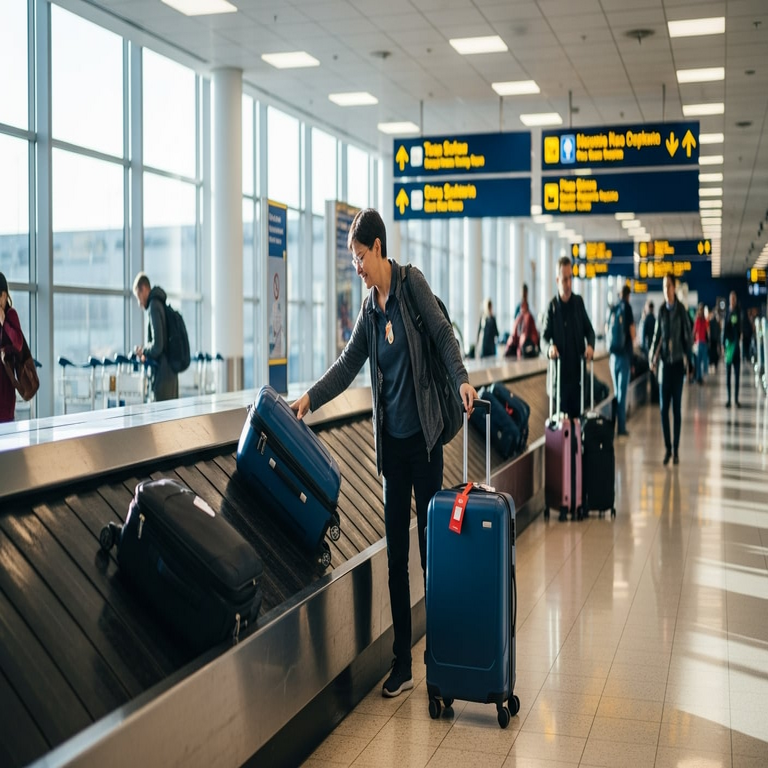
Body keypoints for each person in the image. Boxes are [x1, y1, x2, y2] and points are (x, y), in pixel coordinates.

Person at [290, 209, 477, 698]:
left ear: (377, 248)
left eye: (358, 257)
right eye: (352, 259)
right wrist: (308, 399)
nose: (356, 267)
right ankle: (402, 662)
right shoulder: (370, 312)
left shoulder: (412, 287)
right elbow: (348, 365)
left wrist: (461, 380)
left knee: (431, 553)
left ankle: (440, 655)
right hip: (392, 450)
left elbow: (443, 336)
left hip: (426, 442)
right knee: (397, 558)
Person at [542, 256, 595, 417]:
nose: (568, 283)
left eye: (570, 278)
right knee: (561, 424)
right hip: (559, 380)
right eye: (565, 279)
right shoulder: (552, 307)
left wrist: (590, 346)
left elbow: (589, 331)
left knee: (577, 423)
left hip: (577, 379)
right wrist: (549, 348)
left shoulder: (578, 303)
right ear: (558, 280)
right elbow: (543, 338)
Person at [649, 275, 692, 466]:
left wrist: (690, 362)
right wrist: (652, 356)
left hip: (677, 366)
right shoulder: (661, 312)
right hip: (665, 365)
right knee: (663, 410)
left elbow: (688, 336)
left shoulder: (682, 310)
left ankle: (676, 449)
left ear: (674, 288)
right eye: (664, 286)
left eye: (669, 286)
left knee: (676, 410)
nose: (666, 290)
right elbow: (657, 335)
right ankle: (667, 448)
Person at [132, 272, 179, 402]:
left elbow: (158, 346)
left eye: (138, 296)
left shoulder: (154, 306)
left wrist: (144, 350)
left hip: (163, 377)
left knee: (162, 420)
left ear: (144, 289)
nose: (139, 303)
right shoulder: (160, 304)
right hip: (170, 373)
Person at [608, 284, 635, 437]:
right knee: (622, 394)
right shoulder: (627, 308)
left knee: (617, 392)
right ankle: (621, 428)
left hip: (613, 358)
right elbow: (631, 332)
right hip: (624, 356)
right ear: (628, 295)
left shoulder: (614, 308)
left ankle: (614, 424)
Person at [0, 272, 25, 423]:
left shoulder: (11, 315)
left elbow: (18, 343)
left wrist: (3, 321)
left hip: (4, 392)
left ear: (3, 296)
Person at [722, 290, 743, 408]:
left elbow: (738, 330)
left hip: (736, 349)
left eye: (734, 298)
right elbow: (725, 330)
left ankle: (736, 399)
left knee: (737, 375)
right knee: (728, 376)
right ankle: (729, 399)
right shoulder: (727, 313)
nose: (733, 301)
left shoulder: (738, 312)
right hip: (728, 348)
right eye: (731, 298)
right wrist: (722, 344)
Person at [692, 303, 709, 384]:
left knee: (703, 361)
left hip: (703, 342)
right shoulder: (698, 320)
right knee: (698, 362)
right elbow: (694, 331)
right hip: (698, 343)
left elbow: (707, 331)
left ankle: (701, 376)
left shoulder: (703, 320)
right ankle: (699, 377)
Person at [708, 307, 721, 373]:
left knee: (714, 354)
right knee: (714, 353)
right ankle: (713, 364)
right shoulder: (713, 322)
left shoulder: (715, 322)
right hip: (713, 340)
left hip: (714, 340)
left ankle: (713, 364)